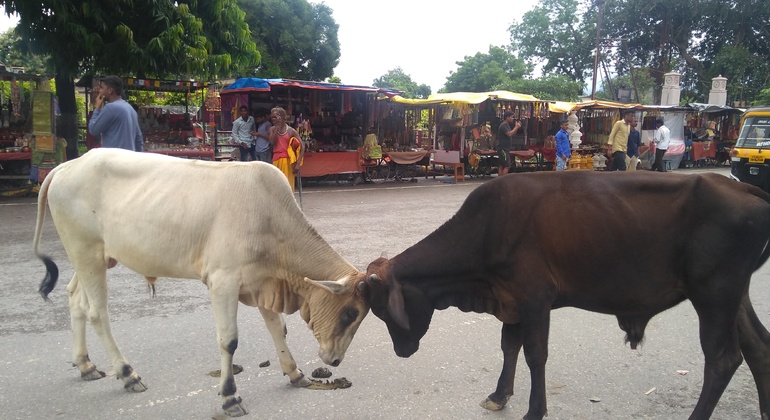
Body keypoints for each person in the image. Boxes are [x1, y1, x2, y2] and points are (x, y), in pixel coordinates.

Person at [88, 75, 143, 151]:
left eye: (102, 88)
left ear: (110, 90)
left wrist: (97, 108)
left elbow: (93, 130)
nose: (100, 91)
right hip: (129, 159)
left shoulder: (110, 108)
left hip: (113, 160)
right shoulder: (131, 109)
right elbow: (138, 139)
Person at [269, 107, 305, 191]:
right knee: (277, 186)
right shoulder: (272, 129)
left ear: (281, 117)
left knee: (287, 186)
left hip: (288, 161)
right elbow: (272, 142)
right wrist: (276, 128)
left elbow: (302, 146)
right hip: (276, 160)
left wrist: (298, 164)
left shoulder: (291, 131)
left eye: (275, 117)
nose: (273, 119)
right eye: (272, 117)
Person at [496, 111, 522, 176]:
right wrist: (516, 127)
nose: (513, 119)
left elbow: (512, 134)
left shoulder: (507, 125)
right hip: (503, 148)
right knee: (506, 166)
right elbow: (509, 134)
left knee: (502, 165)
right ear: (507, 117)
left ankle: (500, 180)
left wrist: (516, 128)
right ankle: (503, 180)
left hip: (505, 148)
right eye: (512, 117)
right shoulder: (503, 125)